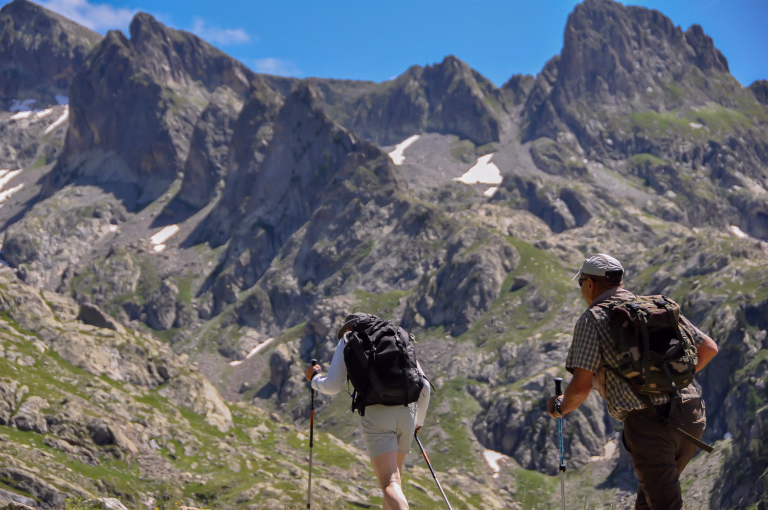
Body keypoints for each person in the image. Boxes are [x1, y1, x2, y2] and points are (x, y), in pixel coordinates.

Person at [547, 253, 719, 510]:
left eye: (581, 282)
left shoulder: (593, 318)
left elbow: (581, 387)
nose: (581, 288)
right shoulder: (656, 307)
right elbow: (708, 348)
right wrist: (669, 382)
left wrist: (561, 407)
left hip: (650, 426)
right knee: (647, 505)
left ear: (590, 284)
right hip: (691, 415)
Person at [305, 328, 430, 510]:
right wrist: (417, 423)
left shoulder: (348, 337)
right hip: (407, 412)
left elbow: (333, 386)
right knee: (395, 482)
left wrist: (314, 378)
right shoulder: (394, 336)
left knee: (390, 482)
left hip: (378, 414)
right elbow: (424, 385)